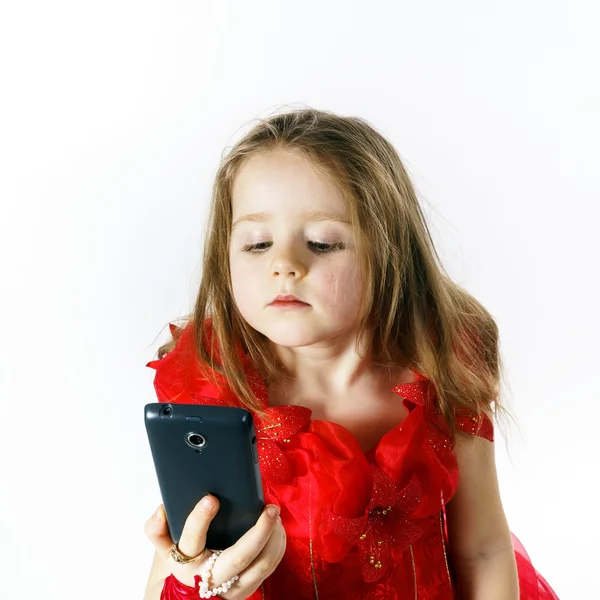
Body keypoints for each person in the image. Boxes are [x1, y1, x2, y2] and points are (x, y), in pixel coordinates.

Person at [143, 108, 560, 599]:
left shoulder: (443, 361)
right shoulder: (213, 382)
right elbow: (173, 572)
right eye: (257, 244)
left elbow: (483, 549)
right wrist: (205, 579)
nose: (284, 265)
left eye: (321, 242)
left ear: (389, 251)